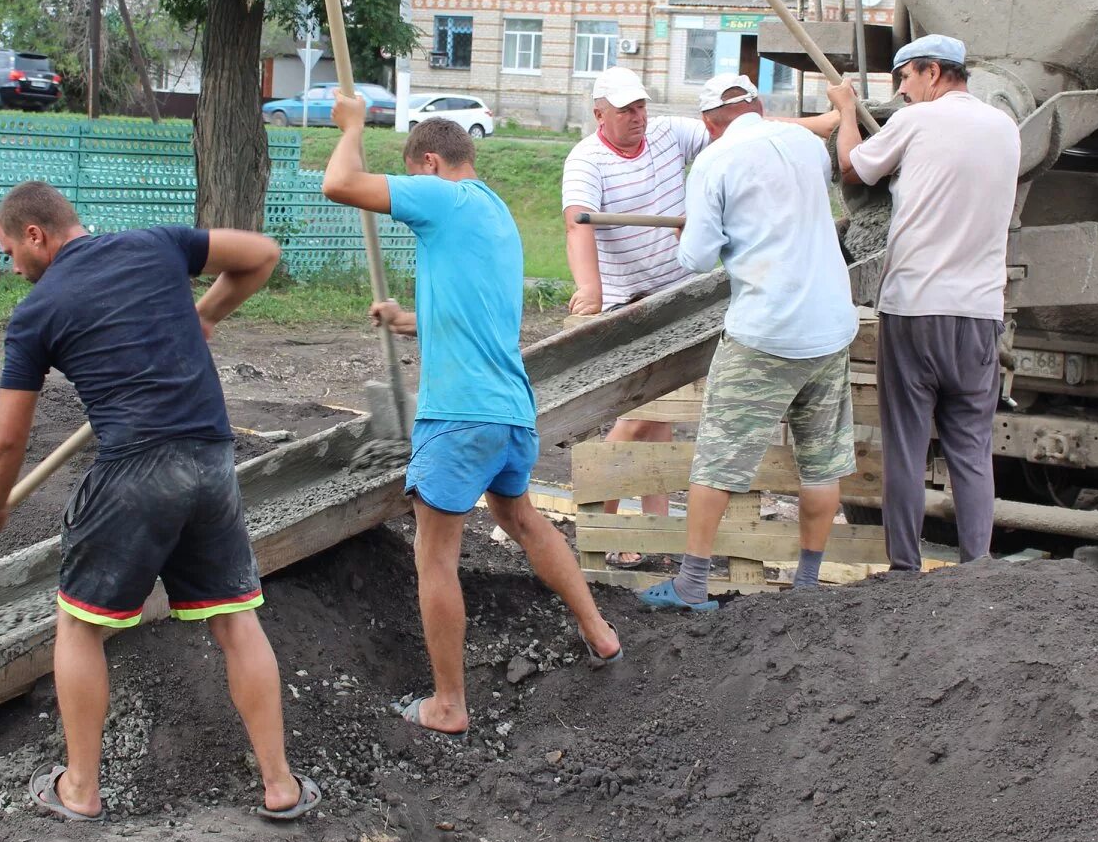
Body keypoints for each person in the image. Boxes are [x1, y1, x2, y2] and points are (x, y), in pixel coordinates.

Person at [0, 182, 318, 823]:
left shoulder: (38, 312)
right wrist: (207, 312)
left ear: (36, 235)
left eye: (11, 251)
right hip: (212, 459)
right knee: (236, 621)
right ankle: (280, 785)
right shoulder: (156, 245)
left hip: (134, 473)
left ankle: (80, 789)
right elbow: (262, 253)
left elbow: (6, 432)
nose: (13, 267)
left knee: (78, 626)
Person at [321, 93, 622, 734]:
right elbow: (471, 314)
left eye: (413, 171)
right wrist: (407, 320)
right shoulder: (494, 214)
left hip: (458, 417)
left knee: (433, 556)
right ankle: (599, 631)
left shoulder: (444, 198)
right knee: (522, 520)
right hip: (511, 411)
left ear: (429, 163)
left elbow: (340, 183)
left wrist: (351, 126)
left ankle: (449, 704)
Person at [636, 75, 860, 610]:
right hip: (830, 327)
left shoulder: (714, 162)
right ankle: (807, 585)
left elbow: (694, 259)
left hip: (766, 331)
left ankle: (691, 584)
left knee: (718, 460)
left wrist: (686, 230)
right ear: (759, 106)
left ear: (710, 124)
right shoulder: (807, 144)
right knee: (822, 463)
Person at [834, 34, 1021, 572]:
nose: (902, 92)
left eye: (905, 79)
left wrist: (848, 111)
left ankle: (905, 569)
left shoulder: (915, 123)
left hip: (915, 308)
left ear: (933, 73)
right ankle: (976, 566)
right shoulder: (1004, 129)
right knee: (971, 450)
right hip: (981, 314)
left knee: (907, 448)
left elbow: (853, 170)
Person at [560, 66, 709, 538]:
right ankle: (596, 518)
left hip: (677, 293)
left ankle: (655, 527)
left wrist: (827, 123)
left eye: (641, 105)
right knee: (641, 413)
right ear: (599, 113)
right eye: (625, 110)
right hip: (629, 304)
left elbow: (733, 136)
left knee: (658, 411)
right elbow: (578, 222)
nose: (637, 116)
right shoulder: (587, 160)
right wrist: (590, 289)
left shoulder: (668, 134)